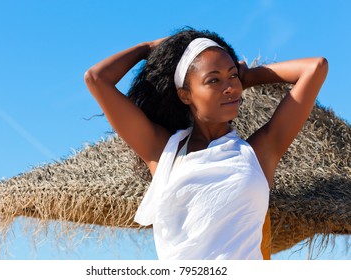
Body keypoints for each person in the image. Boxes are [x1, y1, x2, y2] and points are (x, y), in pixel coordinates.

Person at [84, 28, 328, 260]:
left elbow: (315, 67)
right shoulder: (164, 152)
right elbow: (96, 78)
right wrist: (146, 48)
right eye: (214, 80)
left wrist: (249, 77)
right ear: (185, 94)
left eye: (233, 76)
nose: (230, 87)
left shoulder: (258, 152)